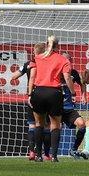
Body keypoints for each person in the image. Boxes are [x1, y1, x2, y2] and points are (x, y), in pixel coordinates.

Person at [29, 35, 78, 163]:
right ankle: (54, 156)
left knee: (38, 124)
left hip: (38, 92)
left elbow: (32, 78)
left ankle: (39, 156)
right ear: (57, 46)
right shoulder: (63, 60)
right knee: (55, 125)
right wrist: (73, 93)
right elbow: (67, 78)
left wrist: (29, 94)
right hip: (54, 93)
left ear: (46, 45)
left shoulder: (37, 58)